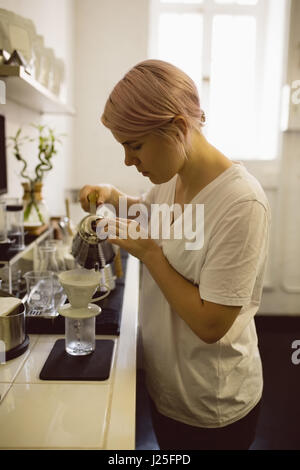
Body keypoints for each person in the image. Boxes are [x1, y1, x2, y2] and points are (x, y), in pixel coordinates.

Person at [79, 59, 271, 450]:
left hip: (212, 406)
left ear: (179, 128)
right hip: (167, 389)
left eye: (135, 145)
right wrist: (111, 195)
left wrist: (149, 254)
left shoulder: (241, 203)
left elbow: (211, 324)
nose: (129, 161)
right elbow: (156, 218)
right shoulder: (174, 180)